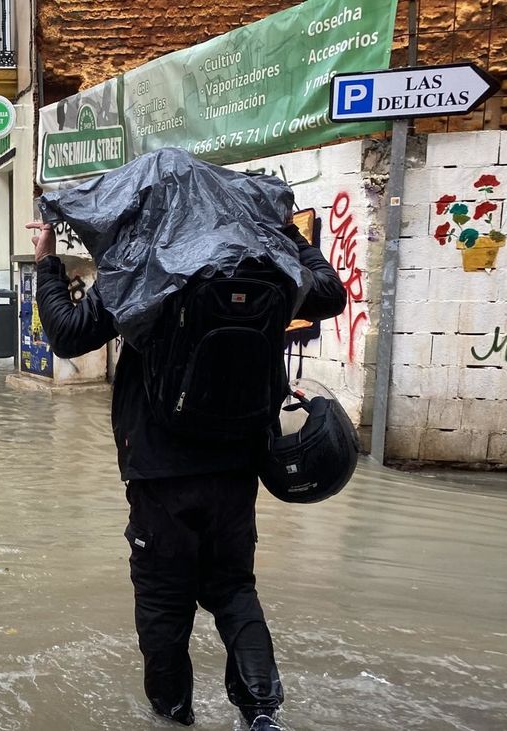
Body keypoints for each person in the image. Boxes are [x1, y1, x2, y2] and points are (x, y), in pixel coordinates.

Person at [26, 217, 345, 730]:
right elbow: (330, 294)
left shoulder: (141, 262)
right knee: (235, 588)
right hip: (237, 466)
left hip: (158, 474)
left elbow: (66, 335)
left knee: (163, 605)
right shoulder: (259, 262)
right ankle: (262, 712)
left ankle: (173, 716)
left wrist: (46, 261)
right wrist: (290, 236)